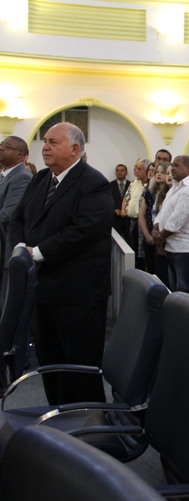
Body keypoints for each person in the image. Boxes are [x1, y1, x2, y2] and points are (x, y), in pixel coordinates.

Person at [9, 122, 113, 405]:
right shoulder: (41, 178)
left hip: (78, 292)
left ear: (75, 148)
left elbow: (83, 231)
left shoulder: (93, 183)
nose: (45, 147)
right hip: (42, 288)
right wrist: (20, 248)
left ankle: (89, 426)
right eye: (45, 141)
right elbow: (19, 217)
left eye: (53, 142)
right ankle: (58, 418)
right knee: (50, 361)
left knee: (79, 365)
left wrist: (38, 253)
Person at [152, 155, 189, 294]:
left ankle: (184, 317)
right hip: (172, 246)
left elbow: (177, 219)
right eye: (172, 165)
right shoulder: (175, 186)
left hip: (186, 249)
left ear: (188, 168)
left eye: (176, 166)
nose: (172, 169)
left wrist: (160, 237)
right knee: (174, 291)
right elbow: (163, 212)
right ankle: (175, 316)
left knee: (184, 292)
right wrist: (156, 227)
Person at [139, 161, 169, 280]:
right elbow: (141, 215)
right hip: (150, 235)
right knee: (151, 270)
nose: (159, 174)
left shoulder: (170, 193)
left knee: (162, 272)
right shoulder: (149, 193)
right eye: (157, 172)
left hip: (164, 237)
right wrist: (147, 235)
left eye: (163, 172)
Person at [0, 136, 33, 233]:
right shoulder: (5, 175)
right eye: (1, 144)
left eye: (7, 147)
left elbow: (8, 215)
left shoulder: (22, 177)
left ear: (20, 154)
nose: (1, 148)